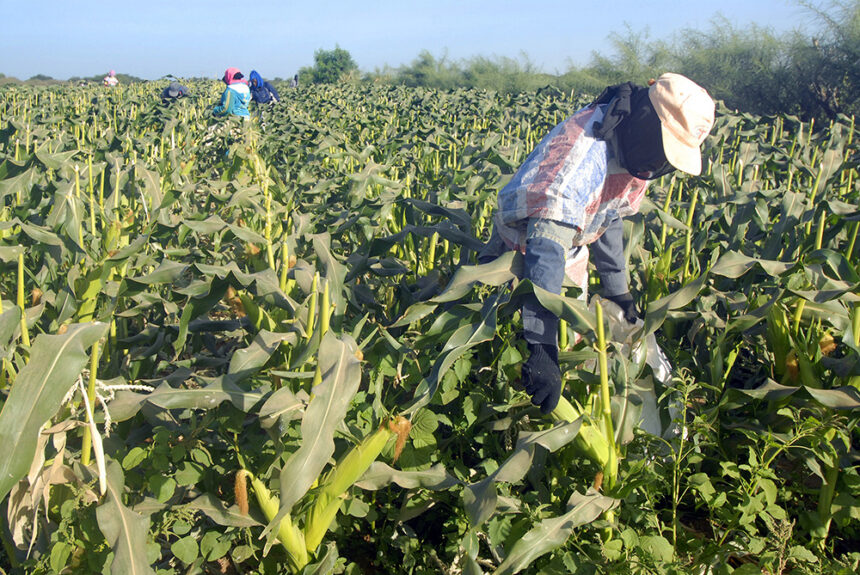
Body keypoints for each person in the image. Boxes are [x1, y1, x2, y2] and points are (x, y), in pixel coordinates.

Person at [478, 72, 715, 414]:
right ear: (648, 123)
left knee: (570, 347)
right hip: (521, 254)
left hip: (567, 250)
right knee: (509, 354)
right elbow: (545, 251)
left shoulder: (631, 145)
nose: (658, 165)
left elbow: (609, 215)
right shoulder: (582, 156)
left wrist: (618, 290)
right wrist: (542, 347)